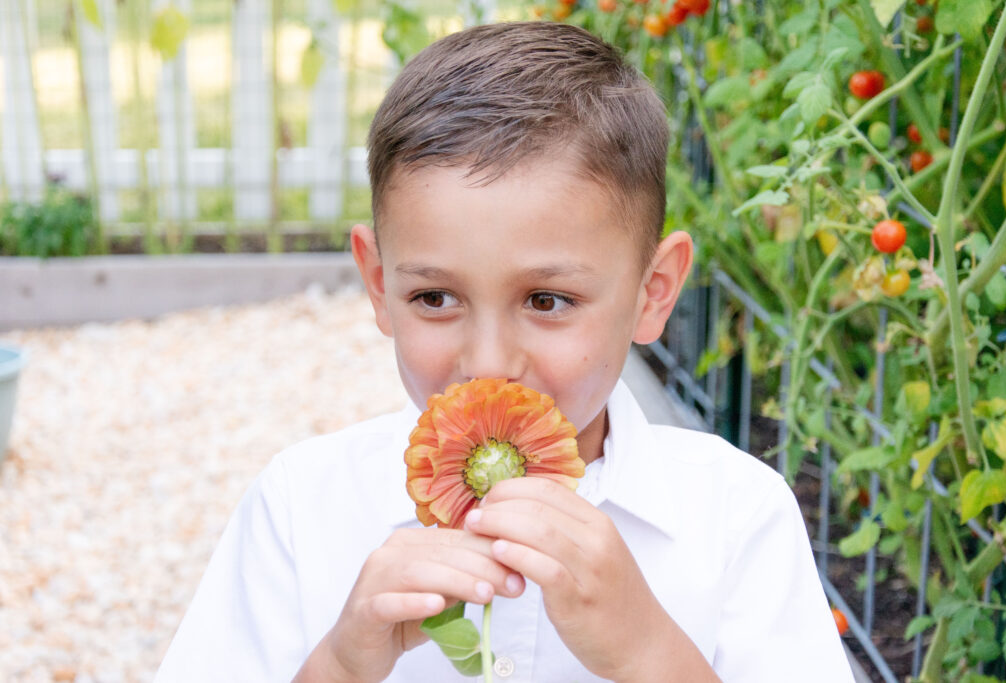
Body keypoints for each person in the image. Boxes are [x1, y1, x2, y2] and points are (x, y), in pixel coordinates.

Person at [155, 21, 854, 682]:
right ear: (377, 282)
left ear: (653, 291)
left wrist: (649, 649)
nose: (488, 364)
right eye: (435, 297)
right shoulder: (302, 509)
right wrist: (340, 662)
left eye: (546, 301)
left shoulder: (736, 518)